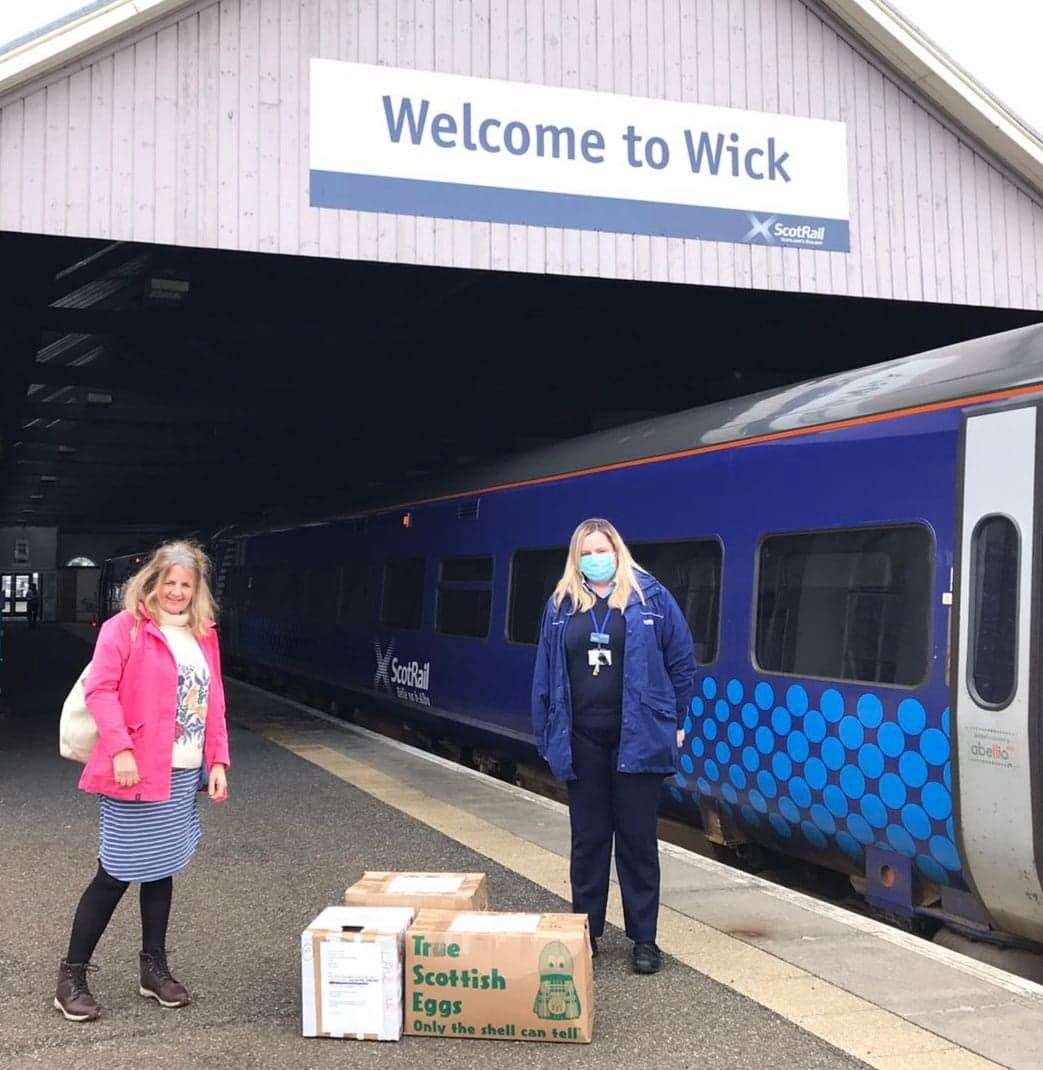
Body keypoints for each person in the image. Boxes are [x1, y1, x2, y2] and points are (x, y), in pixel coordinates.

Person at [55, 542, 231, 1022]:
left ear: (196, 592)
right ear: (151, 582)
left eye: (185, 585)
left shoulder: (203, 634)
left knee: (160, 868)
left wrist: (217, 760)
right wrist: (121, 749)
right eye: (168, 582)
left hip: (181, 773)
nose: (175, 592)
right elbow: (101, 690)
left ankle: (153, 969)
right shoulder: (123, 629)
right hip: (133, 768)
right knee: (114, 872)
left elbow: (213, 701)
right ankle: (71, 975)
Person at [531, 518, 696, 975]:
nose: (594, 559)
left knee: (638, 842)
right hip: (582, 738)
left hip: (637, 740)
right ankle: (587, 933)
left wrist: (677, 723)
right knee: (588, 841)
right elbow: (545, 671)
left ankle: (644, 940)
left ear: (617, 551)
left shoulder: (652, 599)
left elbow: (682, 665)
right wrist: (546, 732)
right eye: (585, 553)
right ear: (576, 558)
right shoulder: (562, 604)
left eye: (601, 550)